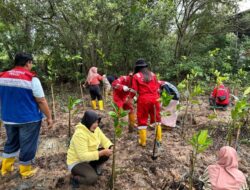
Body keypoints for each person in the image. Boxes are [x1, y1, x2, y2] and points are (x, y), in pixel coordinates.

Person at [0, 52, 52, 179]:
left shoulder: (2, 77)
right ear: (28, 62)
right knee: (28, 144)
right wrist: (49, 117)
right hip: (29, 119)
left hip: (9, 118)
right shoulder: (32, 79)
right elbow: (41, 100)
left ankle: (5, 168)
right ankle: (25, 171)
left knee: (11, 142)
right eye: (31, 62)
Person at [67, 110, 113, 187]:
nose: (96, 125)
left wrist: (111, 146)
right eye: (94, 122)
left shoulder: (96, 129)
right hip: (77, 162)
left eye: (97, 122)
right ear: (87, 122)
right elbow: (83, 156)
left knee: (106, 153)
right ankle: (74, 179)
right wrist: (102, 152)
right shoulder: (79, 134)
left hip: (89, 158)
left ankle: (92, 167)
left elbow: (104, 140)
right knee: (92, 178)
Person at [131, 59, 161, 146]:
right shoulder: (153, 74)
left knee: (142, 119)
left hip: (143, 100)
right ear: (145, 67)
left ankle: (143, 142)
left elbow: (134, 90)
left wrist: (130, 98)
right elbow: (158, 88)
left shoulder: (136, 76)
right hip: (155, 99)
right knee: (157, 119)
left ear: (137, 68)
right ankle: (159, 140)